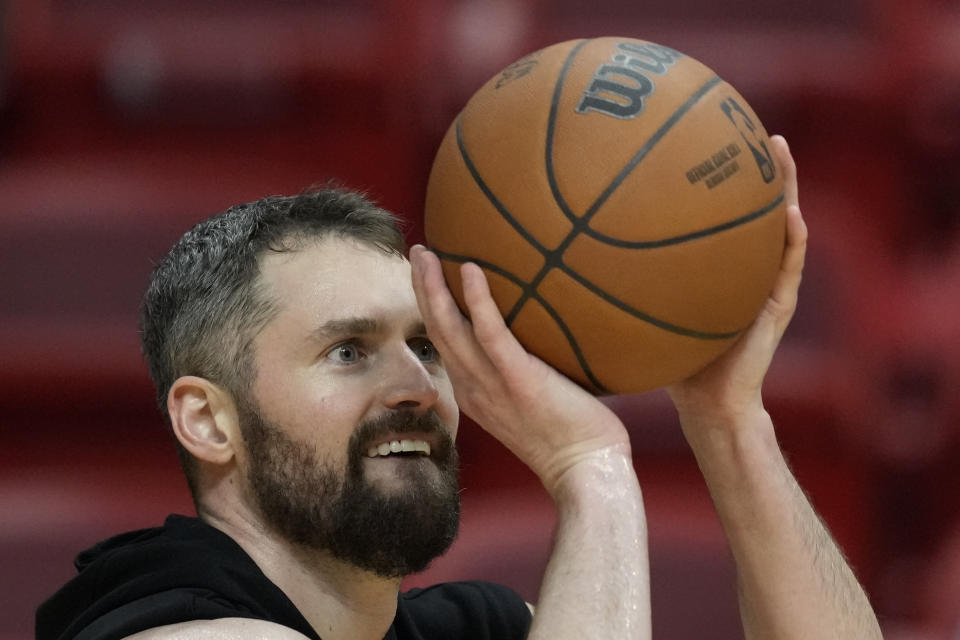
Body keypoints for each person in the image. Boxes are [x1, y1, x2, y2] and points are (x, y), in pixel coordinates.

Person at [36, 136, 882, 640]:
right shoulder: (169, 624)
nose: (414, 384)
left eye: (427, 346)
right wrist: (591, 465)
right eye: (348, 351)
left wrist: (727, 417)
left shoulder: (469, 628)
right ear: (208, 420)